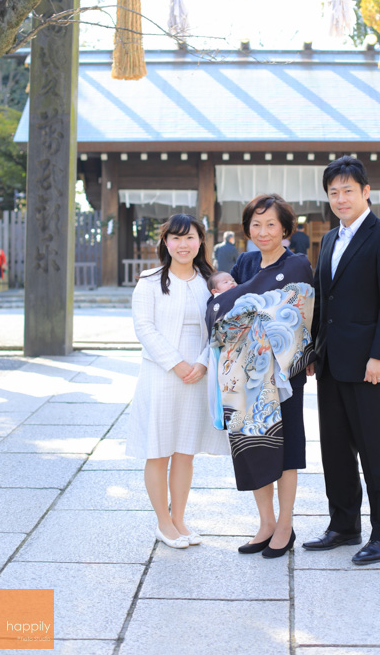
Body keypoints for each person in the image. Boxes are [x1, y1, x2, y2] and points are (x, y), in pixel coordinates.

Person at [303, 156, 380, 565]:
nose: (341, 198)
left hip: (370, 365)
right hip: (331, 364)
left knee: (377, 450)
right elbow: (322, 300)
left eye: (348, 190)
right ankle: (344, 526)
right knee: (335, 449)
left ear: (366, 192)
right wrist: (314, 350)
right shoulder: (330, 239)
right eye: (334, 192)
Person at [206, 194, 315, 558]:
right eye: (256, 224)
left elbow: (291, 316)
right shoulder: (246, 262)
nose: (263, 231)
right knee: (253, 446)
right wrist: (246, 304)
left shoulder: (296, 264)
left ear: (285, 228)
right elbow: (224, 313)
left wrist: (245, 304)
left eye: (271, 224)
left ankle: (285, 525)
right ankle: (265, 522)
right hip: (244, 375)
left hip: (282, 376)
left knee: (286, 451)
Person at [126, 214, 230, 550]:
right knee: (158, 451)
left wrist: (200, 363)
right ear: (165, 242)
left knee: (185, 452)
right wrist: (177, 363)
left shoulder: (208, 282)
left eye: (190, 238)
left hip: (198, 375)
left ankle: (180, 517)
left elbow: (220, 326)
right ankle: (163, 522)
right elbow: (145, 328)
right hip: (161, 375)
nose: (183, 245)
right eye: (176, 238)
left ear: (201, 241)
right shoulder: (150, 281)